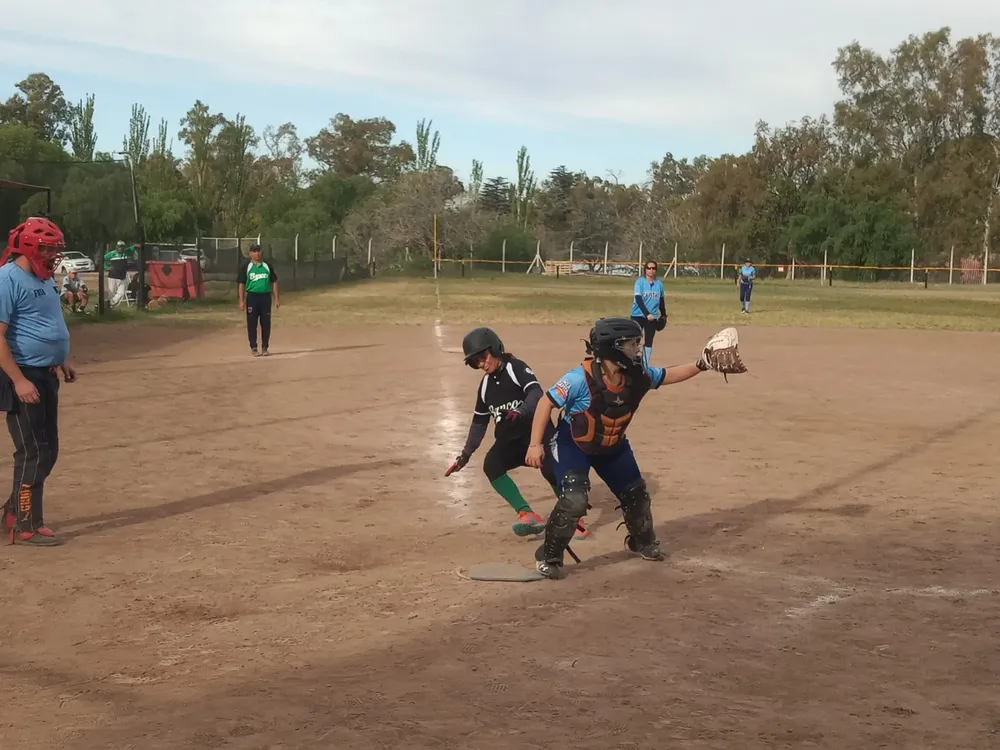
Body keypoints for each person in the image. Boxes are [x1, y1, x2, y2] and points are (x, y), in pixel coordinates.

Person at [524, 317, 713, 579]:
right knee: (575, 499)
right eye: (631, 344)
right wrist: (535, 445)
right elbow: (546, 403)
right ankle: (549, 555)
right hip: (574, 443)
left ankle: (643, 542)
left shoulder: (638, 376)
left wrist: (702, 364)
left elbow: (669, 374)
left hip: (612, 446)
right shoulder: (579, 378)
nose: (637, 349)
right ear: (612, 348)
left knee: (636, 495)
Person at [446, 327, 588, 540]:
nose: (482, 364)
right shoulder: (485, 386)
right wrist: (465, 455)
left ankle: (575, 519)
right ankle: (527, 514)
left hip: (536, 436)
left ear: (495, 349)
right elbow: (479, 422)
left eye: (483, 357)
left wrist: (521, 411)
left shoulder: (515, 368)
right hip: (511, 442)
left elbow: (536, 394)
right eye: (475, 362)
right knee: (492, 465)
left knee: (550, 469)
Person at [0, 216, 78, 547]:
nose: (53, 256)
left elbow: (48, 321)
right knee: (34, 451)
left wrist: (61, 359)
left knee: (49, 450)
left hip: (47, 374)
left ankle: (12, 512)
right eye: (48, 249)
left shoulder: (45, 279)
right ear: (30, 246)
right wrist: (18, 380)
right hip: (24, 375)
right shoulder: (7, 279)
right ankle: (28, 524)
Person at [237, 243, 279, 356]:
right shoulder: (247, 266)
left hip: (265, 297)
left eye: (258, 251)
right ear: (250, 253)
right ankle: (254, 347)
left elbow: (274, 281)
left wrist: (276, 299)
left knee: (266, 323)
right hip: (252, 297)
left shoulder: (267, 266)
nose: (257, 253)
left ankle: (265, 347)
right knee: (252, 323)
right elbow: (241, 283)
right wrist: (241, 301)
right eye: (254, 251)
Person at [630, 260, 666, 365]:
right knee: (635, 340)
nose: (651, 270)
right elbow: (638, 300)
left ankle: (644, 364)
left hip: (652, 317)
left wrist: (663, 315)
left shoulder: (659, 284)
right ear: (645, 270)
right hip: (638, 315)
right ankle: (631, 362)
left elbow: (661, 301)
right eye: (649, 268)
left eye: (653, 268)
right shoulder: (640, 282)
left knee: (649, 341)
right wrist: (647, 314)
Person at [104, 240, 130, 308]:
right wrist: (107, 267)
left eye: (121, 246)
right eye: (119, 246)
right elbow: (103, 259)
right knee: (111, 293)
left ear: (124, 247)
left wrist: (136, 245)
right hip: (112, 277)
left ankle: (109, 304)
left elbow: (132, 248)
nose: (120, 248)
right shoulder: (112, 253)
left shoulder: (126, 252)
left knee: (121, 293)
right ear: (116, 246)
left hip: (122, 277)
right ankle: (110, 309)